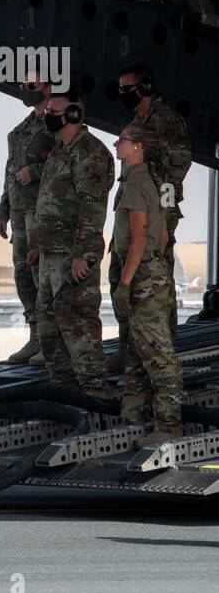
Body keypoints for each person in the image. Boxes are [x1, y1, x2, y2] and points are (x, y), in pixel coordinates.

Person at [106, 64, 191, 371]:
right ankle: (129, 347)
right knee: (120, 274)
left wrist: (165, 212)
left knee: (156, 282)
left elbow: (176, 170)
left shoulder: (166, 122)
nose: (122, 95)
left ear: (146, 86)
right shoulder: (136, 123)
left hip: (154, 210)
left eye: (127, 89)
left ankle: (162, 344)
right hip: (133, 206)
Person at [28, 95, 114, 396]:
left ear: (74, 113)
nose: (48, 116)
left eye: (54, 112)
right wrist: (39, 243)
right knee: (49, 326)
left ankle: (94, 394)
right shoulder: (58, 150)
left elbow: (92, 210)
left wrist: (83, 256)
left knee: (77, 324)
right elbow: (49, 201)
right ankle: (65, 392)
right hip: (51, 254)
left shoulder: (90, 155)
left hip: (73, 255)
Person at [110, 124, 184, 447]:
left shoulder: (137, 183)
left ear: (137, 147)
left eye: (122, 140)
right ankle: (133, 420)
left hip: (142, 275)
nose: (116, 145)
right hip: (152, 272)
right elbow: (163, 236)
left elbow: (139, 240)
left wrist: (125, 284)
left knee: (157, 354)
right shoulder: (144, 180)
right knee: (137, 354)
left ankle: (169, 426)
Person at [0, 73, 55, 363]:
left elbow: (65, 165)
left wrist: (35, 172)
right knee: (23, 273)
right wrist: (3, 210)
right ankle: (35, 336)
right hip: (20, 211)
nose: (25, 90)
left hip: (43, 211)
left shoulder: (57, 125)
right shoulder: (20, 131)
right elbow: (10, 171)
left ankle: (49, 340)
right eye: (22, 86)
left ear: (48, 87)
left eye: (31, 86)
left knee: (41, 272)